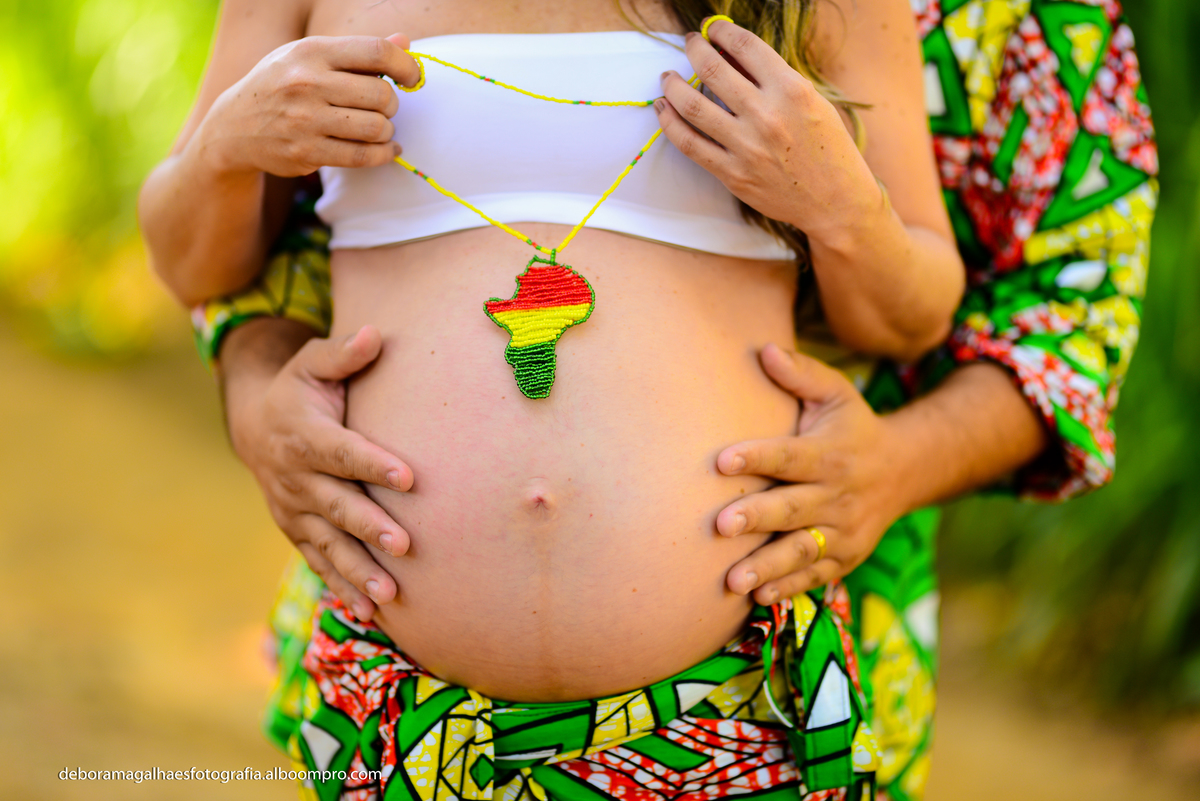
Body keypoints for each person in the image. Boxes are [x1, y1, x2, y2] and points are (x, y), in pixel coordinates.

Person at [147, 1, 1158, 799]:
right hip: (402, 701)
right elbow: (216, 261)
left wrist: (841, 209)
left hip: (733, 698)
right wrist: (232, 170)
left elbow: (1023, 309)